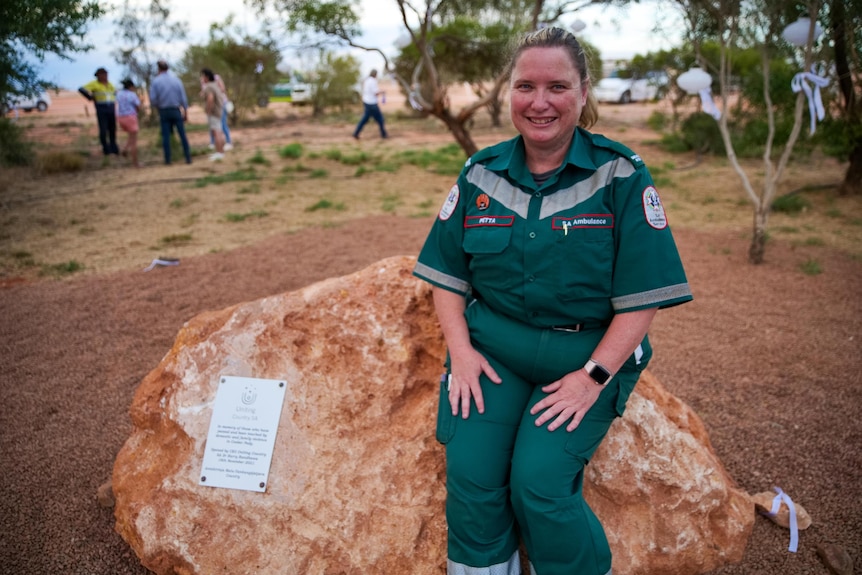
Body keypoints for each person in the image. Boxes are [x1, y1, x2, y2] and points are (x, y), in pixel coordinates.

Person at [412, 27, 693, 575]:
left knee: (539, 485)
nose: (539, 102)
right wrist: (461, 353)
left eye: (557, 86)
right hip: (494, 353)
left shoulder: (621, 175)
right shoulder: (481, 173)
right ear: (508, 93)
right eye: (525, 86)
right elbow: (447, 275)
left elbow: (642, 299)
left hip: (584, 354)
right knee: (472, 476)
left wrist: (593, 377)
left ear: (584, 92)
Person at [149, 60, 192, 165]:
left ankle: (168, 160)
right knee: (182, 134)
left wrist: (158, 107)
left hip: (164, 111)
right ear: (168, 68)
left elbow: (153, 99)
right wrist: (185, 112)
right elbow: (183, 98)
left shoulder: (156, 81)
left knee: (166, 136)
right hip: (176, 110)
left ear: (159, 69)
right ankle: (188, 158)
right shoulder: (176, 80)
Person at [78, 68, 119, 156]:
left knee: (112, 129)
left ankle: (114, 148)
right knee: (103, 130)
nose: (105, 76)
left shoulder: (110, 84)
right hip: (101, 108)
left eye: (106, 74)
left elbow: (115, 93)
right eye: (103, 74)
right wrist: (90, 97)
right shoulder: (94, 84)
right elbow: (81, 89)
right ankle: (106, 149)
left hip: (111, 108)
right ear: (98, 76)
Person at [200, 70, 233, 151]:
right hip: (215, 107)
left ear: (207, 76)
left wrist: (208, 109)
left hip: (218, 106)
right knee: (213, 127)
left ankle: (228, 142)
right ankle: (214, 143)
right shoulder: (206, 83)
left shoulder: (214, 81)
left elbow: (218, 92)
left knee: (221, 125)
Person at [352, 69, 387, 140]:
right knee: (380, 119)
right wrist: (382, 92)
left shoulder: (366, 80)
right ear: (375, 74)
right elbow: (375, 92)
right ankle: (383, 134)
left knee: (365, 119)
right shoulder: (373, 81)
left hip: (366, 102)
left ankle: (356, 133)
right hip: (372, 103)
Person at [200, 68, 226, 161]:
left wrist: (208, 110)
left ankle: (219, 152)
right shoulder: (215, 85)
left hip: (214, 112)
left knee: (216, 132)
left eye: (202, 76)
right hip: (219, 111)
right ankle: (221, 151)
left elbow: (210, 99)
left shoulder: (209, 87)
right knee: (219, 131)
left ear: (206, 77)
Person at [116, 78, 142, 167]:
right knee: (134, 140)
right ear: (131, 86)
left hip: (120, 117)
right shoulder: (132, 95)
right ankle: (135, 163)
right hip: (130, 116)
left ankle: (125, 149)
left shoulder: (119, 94)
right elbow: (138, 105)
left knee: (131, 136)